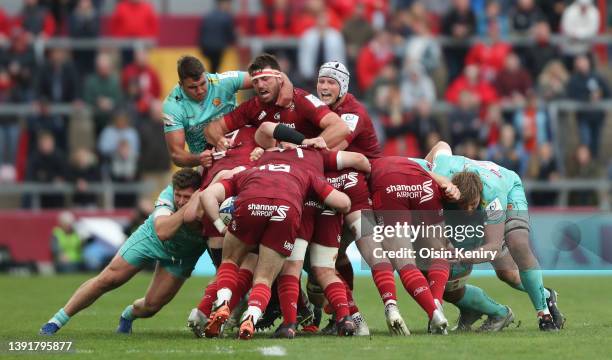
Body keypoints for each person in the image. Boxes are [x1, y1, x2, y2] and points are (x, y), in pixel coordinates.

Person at [196, 146, 353, 340]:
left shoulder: (249, 170)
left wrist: (221, 227)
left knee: (233, 261)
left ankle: (222, 304)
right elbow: (344, 201)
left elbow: (206, 196)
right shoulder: (306, 171)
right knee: (272, 277)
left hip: (251, 205)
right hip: (292, 210)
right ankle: (252, 317)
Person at [39, 168, 207, 335]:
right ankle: (55, 321)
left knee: (151, 307)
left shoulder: (210, 200)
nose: (181, 201)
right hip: (151, 239)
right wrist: (189, 207)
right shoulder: (168, 194)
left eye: (187, 197)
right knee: (108, 279)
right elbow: (162, 232)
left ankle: (128, 315)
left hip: (183, 255)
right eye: (178, 195)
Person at [423, 141, 565, 331]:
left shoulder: (492, 195)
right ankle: (474, 310)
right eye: (463, 205)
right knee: (496, 274)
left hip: (509, 187)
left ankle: (544, 313)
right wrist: (428, 170)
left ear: (479, 197)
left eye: (472, 205)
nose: (468, 210)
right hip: (463, 201)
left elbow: (492, 248)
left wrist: (459, 255)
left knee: (517, 245)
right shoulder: (441, 173)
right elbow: (441, 145)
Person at [162, 55, 293, 168]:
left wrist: (286, 83)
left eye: (203, 83)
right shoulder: (173, 107)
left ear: (206, 75)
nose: (200, 90)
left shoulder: (223, 81)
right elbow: (176, 154)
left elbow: (266, 76)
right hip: (207, 158)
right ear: (181, 84)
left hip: (241, 141)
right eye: (193, 87)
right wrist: (198, 159)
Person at [203, 53, 349, 152]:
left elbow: (341, 128)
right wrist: (220, 140)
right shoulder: (252, 106)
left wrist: (305, 151)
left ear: (280, 79)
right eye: (255, 82)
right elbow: (212, 129)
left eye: (265, 79)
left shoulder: (302, 100)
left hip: (306, 165)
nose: (260, 85)